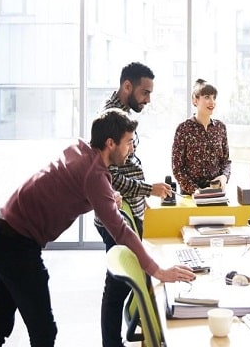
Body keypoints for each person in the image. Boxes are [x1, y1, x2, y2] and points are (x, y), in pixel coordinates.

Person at [0, 108, 194, 347]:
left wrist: (109, 194)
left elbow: (79, 181)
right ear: (110, 143)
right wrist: (158, 271)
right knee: (43, 331)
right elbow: (120, 231)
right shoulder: (94, 175)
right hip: (15, 245)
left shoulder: (82, 151)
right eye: (129, 142)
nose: (132, 148)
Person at [96, 62, 172, 347]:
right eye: (144, 92)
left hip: (129, 209)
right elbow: (112, 176)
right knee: (114, 288)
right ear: (127, 86)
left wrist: (142, 196)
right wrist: (146, 189)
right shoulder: (110, 117)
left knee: (120, 284)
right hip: (115, 214)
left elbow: (128, 164)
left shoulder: (123, 113)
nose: (148, 99)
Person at [172, 79, 231, 195]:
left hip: (217, 193)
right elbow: (177, 168)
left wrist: (224, 177)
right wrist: (195, 190)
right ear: (195, 100)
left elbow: (226, 161)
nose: (212, 102)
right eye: (207, 97)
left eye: (214, 98)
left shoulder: (220, 127)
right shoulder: (183, 129)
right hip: (191, 196)